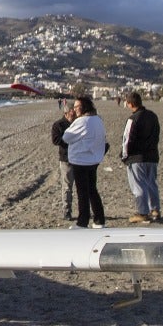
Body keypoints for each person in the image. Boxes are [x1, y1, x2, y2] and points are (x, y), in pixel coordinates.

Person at [61, 96, 107, 229]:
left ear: (84, 107)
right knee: (92, 190)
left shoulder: (82, 121)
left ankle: (83, 222)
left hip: (82, 160)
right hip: (93, 159)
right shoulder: (98, 119)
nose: (74, 110)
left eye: (77, 107)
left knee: (83, 192)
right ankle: (99, 219)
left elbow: (66, 137)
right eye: (74, 108)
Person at [120, 91, 162, 222]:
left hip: (137, 157)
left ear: (130, 104)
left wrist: (124, 156)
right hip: (152, 156)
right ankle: (155, 209)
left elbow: (127, 139)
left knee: (138, 185)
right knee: (151, 184)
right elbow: (157, 134)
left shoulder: (133, 119)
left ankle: (142, 212)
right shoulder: (152, 116)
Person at [48, 100, 75, 221]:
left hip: (80, 158)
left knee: (81, 186)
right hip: (66, 159)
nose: (74, 114)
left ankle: (83, 210)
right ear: (67, 112)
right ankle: (67, 211)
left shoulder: (78, 123)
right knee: (67, 187)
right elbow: (55, 140)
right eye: (72, 112)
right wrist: (69, 140)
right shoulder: (58, 125)